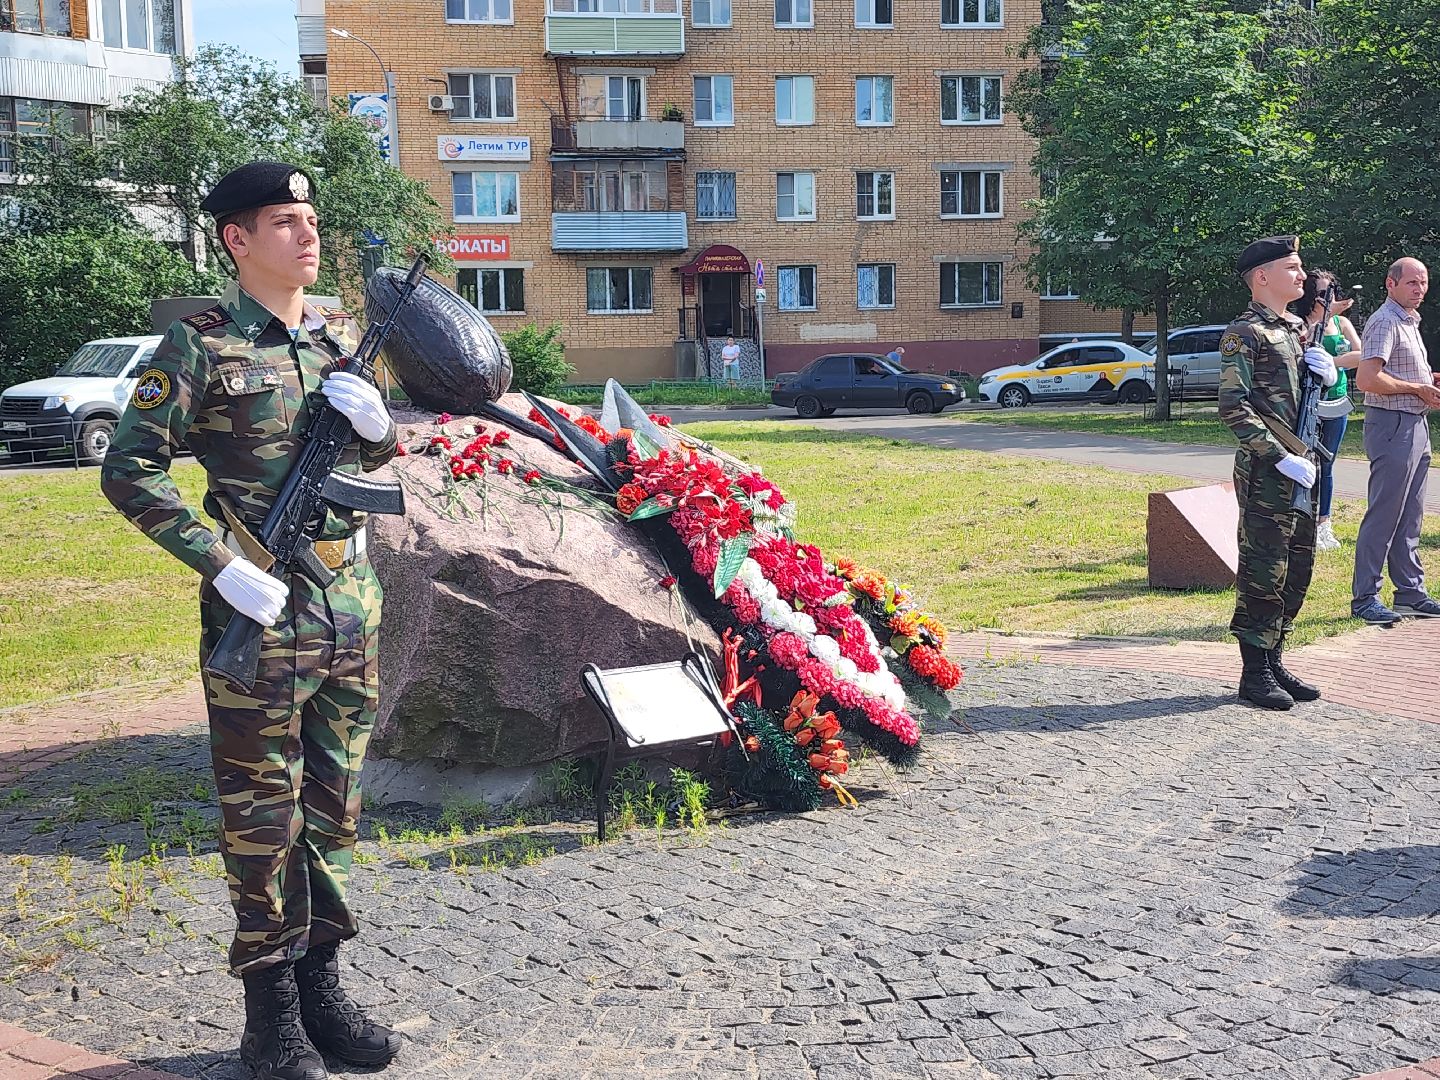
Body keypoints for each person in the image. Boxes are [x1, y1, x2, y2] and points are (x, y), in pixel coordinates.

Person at [101, 161, 401, 1080]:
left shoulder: (339, 333)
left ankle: (323, 988)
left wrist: (382, 428)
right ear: (237, 239)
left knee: (334, 811)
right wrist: (223, 567)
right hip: (262, 619)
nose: (306, 233)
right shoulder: (197, 344)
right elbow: (130, 471)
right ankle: (268, 1019)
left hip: (349, 609)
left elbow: (373, 458)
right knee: (261, 817)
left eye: (310, 217)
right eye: (283, 220)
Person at [1217, 235, 1339, 710]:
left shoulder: (1295, 328)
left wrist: (1329, 376)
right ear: (1263, 277)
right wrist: (1278, 455)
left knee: (1299, 564)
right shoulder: (1244, 332)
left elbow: (1306, 400)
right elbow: (1233, 407)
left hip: (1302, 468)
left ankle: (1275, 659)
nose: (1302, 276)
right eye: (1292, 267)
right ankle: (1254, 673)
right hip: (1268, 470)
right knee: (1265, 568)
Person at [1350, 257, 1440, 623]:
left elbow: (1396, 373)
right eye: (1411, 283)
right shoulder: (1385, 320)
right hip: (1391, 425)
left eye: (1423, 283)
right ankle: (1365, 598)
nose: (1419, 290)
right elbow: (1368, 380)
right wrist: (1416, 388)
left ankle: (1410, 592)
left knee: (1411, 515)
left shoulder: (1409, 321)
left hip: (1414, 424)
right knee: (1384, 514)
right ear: (1391, 284)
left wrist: (1425, 382)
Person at [1287, 269, 1362, 552]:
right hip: (1309, 401)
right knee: (1307, 463)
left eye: (1330, 291)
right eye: (1321, 293)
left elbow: (1361, 354)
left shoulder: (1340, 322)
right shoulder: (1300, 323)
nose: (1326, 298)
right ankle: (1301, 520)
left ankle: (1323, 523)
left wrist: (1332, 362)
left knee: (1327, 464)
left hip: (1336, 399)